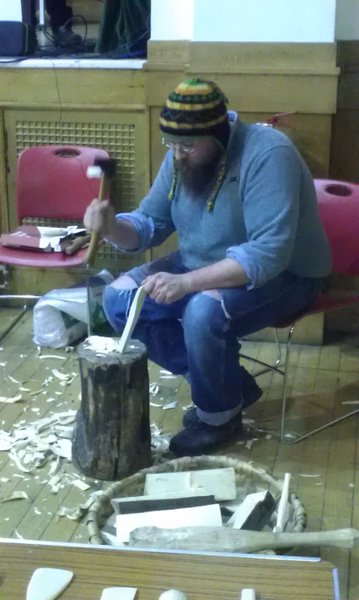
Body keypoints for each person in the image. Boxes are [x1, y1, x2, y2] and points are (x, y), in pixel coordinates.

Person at [83, 78, 332, 457]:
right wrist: (113, 226)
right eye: (173, 144)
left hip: (289, 274)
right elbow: (150, 223)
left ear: (218, 136)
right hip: (203, 259)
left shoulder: (268, 154)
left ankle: (219, 419)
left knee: (203, 311)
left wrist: (186, 283)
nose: (178, 155)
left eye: (188, 146)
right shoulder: (182, 152)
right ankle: (229, 386)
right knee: (119, 299)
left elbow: (267, 255)